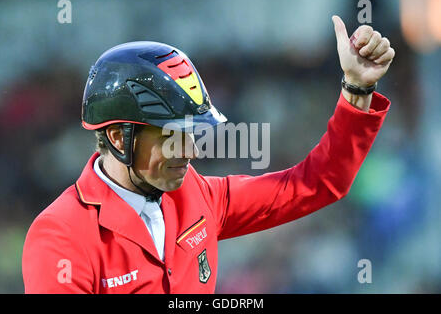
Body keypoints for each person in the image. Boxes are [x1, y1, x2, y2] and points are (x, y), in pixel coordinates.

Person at [22, 16, 394, 293]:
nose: (191, 150)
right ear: (119, 138)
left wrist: (357, 88)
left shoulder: (199, 197)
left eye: (193, 134)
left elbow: (318, 182)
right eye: (172, 136)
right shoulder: (60, 237)